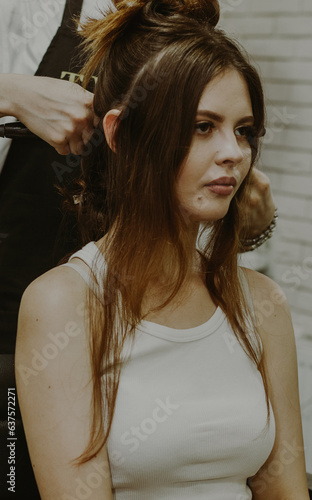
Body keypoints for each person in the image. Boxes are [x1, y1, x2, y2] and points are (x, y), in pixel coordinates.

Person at [15, 0, 309, 499]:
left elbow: (284, 488)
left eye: (243, 131)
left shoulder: (261, 305)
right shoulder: (63, 306)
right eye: (202, 126)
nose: (234, 153)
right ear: (120, 133)